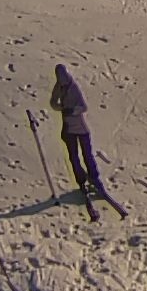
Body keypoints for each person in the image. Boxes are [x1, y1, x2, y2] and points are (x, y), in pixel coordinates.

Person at [49, 65, 103, 213]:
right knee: (74, 157)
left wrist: (72, 110)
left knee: (87, 154)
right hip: (68, 129)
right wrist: (61, 107)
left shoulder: (73, 88)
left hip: (80, 128)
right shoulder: (58, 88)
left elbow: (83, 107)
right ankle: (81, 180)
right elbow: (53, 103)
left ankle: (94, 177)